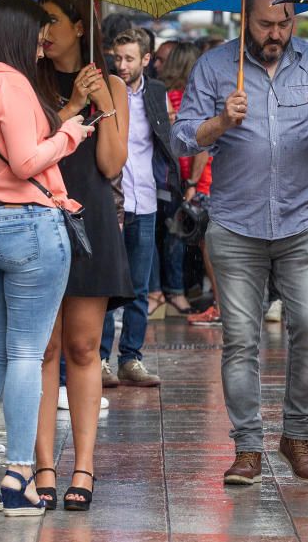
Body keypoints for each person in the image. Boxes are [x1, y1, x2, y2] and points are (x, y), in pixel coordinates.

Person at [171, 0, 308, 486]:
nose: (276, 33)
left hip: (301, 220)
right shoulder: (217, 66)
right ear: (244, 18)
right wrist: (219, 123)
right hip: (236, 224)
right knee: (240, 338)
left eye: (284, 23)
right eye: (265, 24)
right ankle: (248, 446)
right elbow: (181, 138)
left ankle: (295, 435)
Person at [0, 0, 94, 517]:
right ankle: (18, 477)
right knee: (27, 354)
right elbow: (25, 159)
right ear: (16, 34)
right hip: (26, 224)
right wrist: (72, 134)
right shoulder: (11, 84)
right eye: (36, 34)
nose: (42, 43)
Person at [34, 0, 131, 512]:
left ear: (78, 25)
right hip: (39, 216)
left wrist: (100, 103)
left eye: (51, 21)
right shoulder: (30, 80)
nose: (43, 33)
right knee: (44, 349)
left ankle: (85, 465)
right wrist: (70, 107)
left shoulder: (111, 82)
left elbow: (112, 164)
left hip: (89, 219)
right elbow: (29, 151)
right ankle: (44, 464)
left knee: (83, 348)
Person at [100, 28, 179, 388]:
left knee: (139, 285)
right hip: (111, 200)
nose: (122, 65)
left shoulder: (157, 94)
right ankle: (100, 358)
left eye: (130, 58)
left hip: (145, 199)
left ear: (146, 60)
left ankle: (131, 358)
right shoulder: (104, 91)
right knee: (105, 287)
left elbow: (163, 141)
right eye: (118, 58)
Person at [156, 42, 216, 322]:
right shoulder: (191, 97)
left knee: (204, 245)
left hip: (194, 180)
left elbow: (200, 144)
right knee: (203, 243)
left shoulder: (177, 98)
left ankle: (218, 303)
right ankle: (216, 301)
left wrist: (191, 181)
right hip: (197, 179)